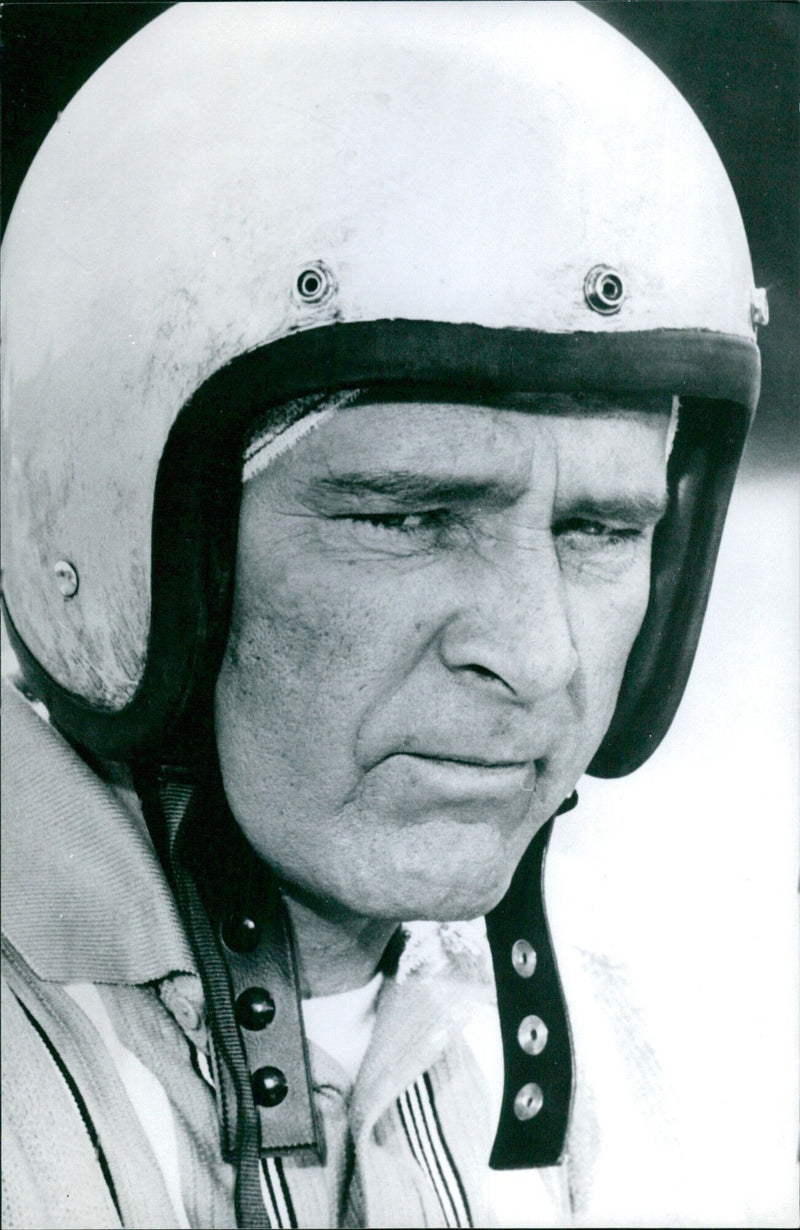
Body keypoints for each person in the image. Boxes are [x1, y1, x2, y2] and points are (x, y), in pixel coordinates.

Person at [1, 3, 769, 1227]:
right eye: (405, 519)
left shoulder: (659, 1077)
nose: (533, 655)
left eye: (600, 531)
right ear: (116, 523)